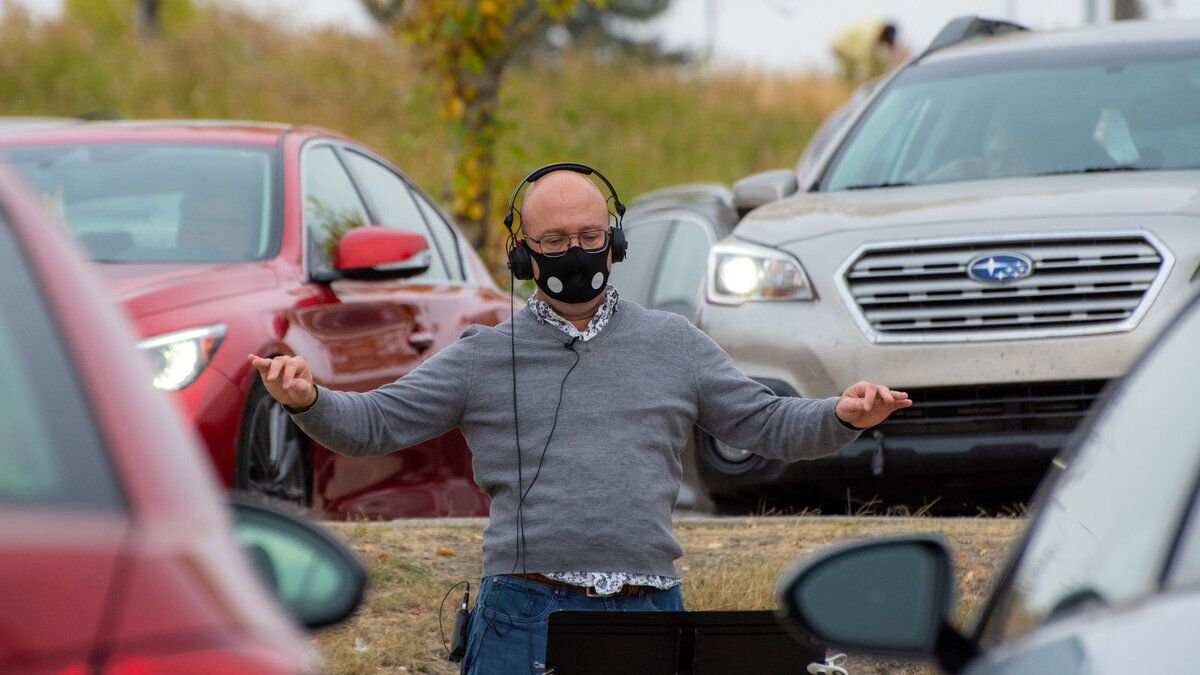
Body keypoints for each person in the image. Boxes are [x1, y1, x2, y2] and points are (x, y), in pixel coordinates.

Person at [248, 166, 912, 674]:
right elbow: (371, 424)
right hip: (521, 617)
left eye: (591, 236)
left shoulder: (673, 343)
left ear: (615, 240)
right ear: (523, 254)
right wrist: (309, 398)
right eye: (556, 240)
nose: (576, 250)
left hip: (649, 613)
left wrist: (843, 415)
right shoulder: (482, 356)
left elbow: (769, 425)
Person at [830, 16, 900, 82]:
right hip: (840, 46)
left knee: (874, 66)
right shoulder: (870, 34)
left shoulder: (876, 28)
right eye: (884, 40)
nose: (882, 43)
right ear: (882, 35)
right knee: (848, 75)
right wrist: (871, 76)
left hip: (845, 47)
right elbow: (865, 57)